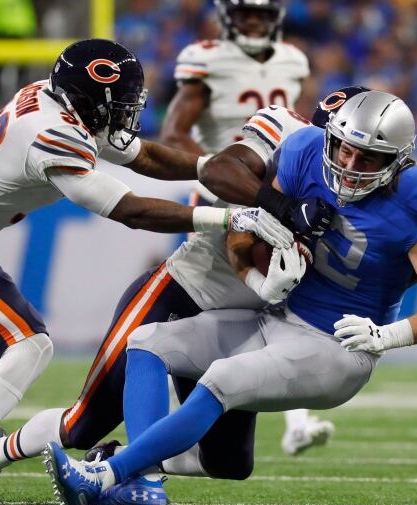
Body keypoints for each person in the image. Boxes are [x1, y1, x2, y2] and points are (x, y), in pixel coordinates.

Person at [0, 39, 294, 505]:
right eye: (119, 106)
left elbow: (144, 156)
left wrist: (204, 168)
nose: (125, 116)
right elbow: (130, 209)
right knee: (28, 345)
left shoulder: (61, 104)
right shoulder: (53, 133)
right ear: (89, 101)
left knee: (2, 354)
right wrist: (229, 218)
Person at [44, 90, 417, 505]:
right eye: (344, 149)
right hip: (278, 317)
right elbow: (244, 228)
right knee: (147, 341)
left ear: (399, 162)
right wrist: (257, 281)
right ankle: (143, 483)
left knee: (223, 379)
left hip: (337, 347)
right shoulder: (304, 151)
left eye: (368, 158)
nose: (349, 165)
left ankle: (107, 475)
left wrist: (386, 335)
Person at [160, 0, 328, 455]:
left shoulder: (293, 59)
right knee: (209, 301)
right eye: (245, 12)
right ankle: (181, 411)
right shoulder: (207, 56)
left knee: (280, 293)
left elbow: (308, 129)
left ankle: (291, 417)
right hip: (227, 190)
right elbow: (175, 132)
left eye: (261, 13)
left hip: (275, 190)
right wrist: (217, 169)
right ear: (228, 15)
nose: (253, 20)